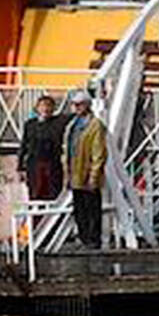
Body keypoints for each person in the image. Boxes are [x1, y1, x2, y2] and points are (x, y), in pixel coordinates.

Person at [63, 88, 108, 249]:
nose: (77, 107)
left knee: (92, 208)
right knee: (79, 209)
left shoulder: (95, 125)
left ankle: (93, 240)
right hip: (74, 172)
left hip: (88, 173)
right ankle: (83, 238)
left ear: (87, 105)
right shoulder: (72, 124)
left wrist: (94, 174)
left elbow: (98, 152)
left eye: (80, 104)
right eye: (75, 104)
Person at [17, 95, 67, 202]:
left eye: (49, 106)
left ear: (53, 108)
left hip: (52, 165)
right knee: (35, 194)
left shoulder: (58, 122)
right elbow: (23, 146)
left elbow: (75, 114)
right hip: (34, 165)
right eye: (43, 105)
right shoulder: (30, 124)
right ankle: (35, 218)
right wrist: (20, 167)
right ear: (37, 108)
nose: (46, 109)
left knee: (53, 195)